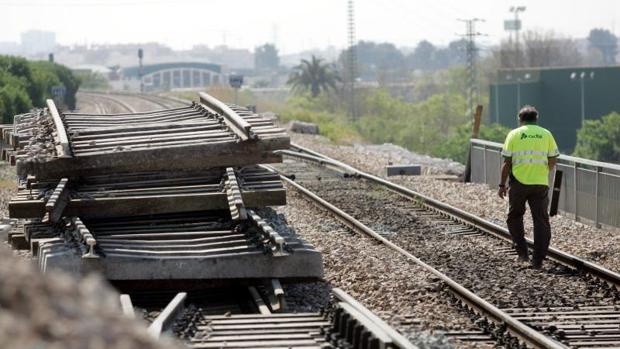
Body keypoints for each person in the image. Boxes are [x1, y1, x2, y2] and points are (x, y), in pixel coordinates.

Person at [497, 106, 559, 269]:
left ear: (520, 119)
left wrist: (502, 185)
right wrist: (543, 171)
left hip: (518, 183)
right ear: (536, 118)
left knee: (515, 216)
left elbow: (507, 162)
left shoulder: (514, 134)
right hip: (540, 183)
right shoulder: (546, 134)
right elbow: (553, 159)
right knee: (541, 220)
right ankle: (538, 260)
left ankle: (523, 254)